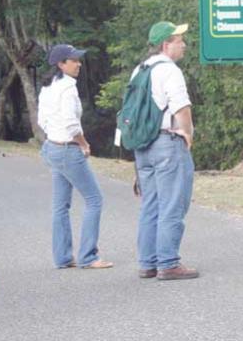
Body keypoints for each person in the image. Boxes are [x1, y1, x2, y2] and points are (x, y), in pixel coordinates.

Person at [130, 21, 199, 280]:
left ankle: (148, 262)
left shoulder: (140, 70)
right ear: (166, 44)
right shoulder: (170, 71)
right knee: (172, 203)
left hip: (143, 146)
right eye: (179, 40)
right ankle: (168, 263)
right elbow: (181, 107)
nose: (184, 44)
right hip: (167, 142)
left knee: (151, 204)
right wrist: (188, 134)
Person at [38, 44, 113, 270]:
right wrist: (84, 143)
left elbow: (42, 121)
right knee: (94, 200)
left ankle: (62, 257)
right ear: (62, 64)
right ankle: (88, 257)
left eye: (78, 60)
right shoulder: (68, 88)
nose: (78, 63)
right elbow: (72, 124)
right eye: (74, 60)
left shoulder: (48, 87)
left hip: (52, 147)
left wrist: (56, 135)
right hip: (68, 149)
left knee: (61, 205)